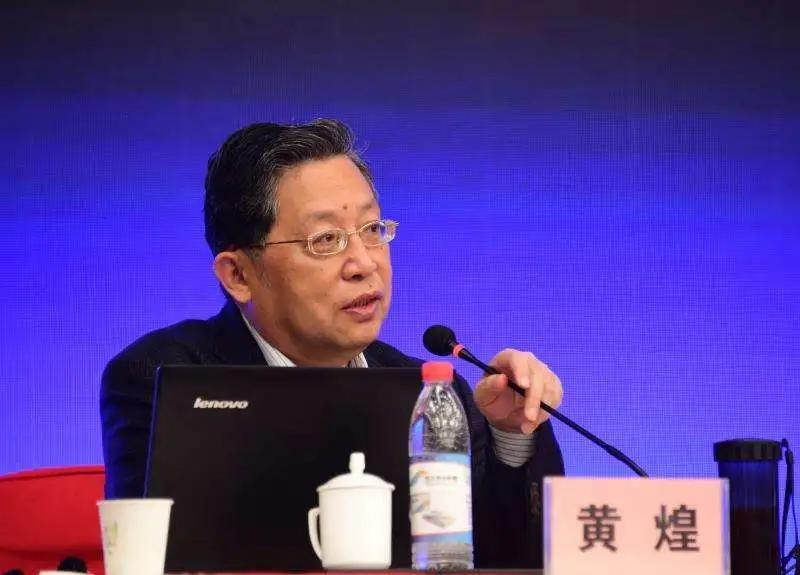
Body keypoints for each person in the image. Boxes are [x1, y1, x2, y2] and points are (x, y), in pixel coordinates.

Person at [100, 119, 565, 567]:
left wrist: (510, 432)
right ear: (238, 275)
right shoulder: (161, 378)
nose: (364, 263)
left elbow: (504, 561)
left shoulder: (430, 395)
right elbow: (151, 559)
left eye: (372, 230)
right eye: (325, 240)